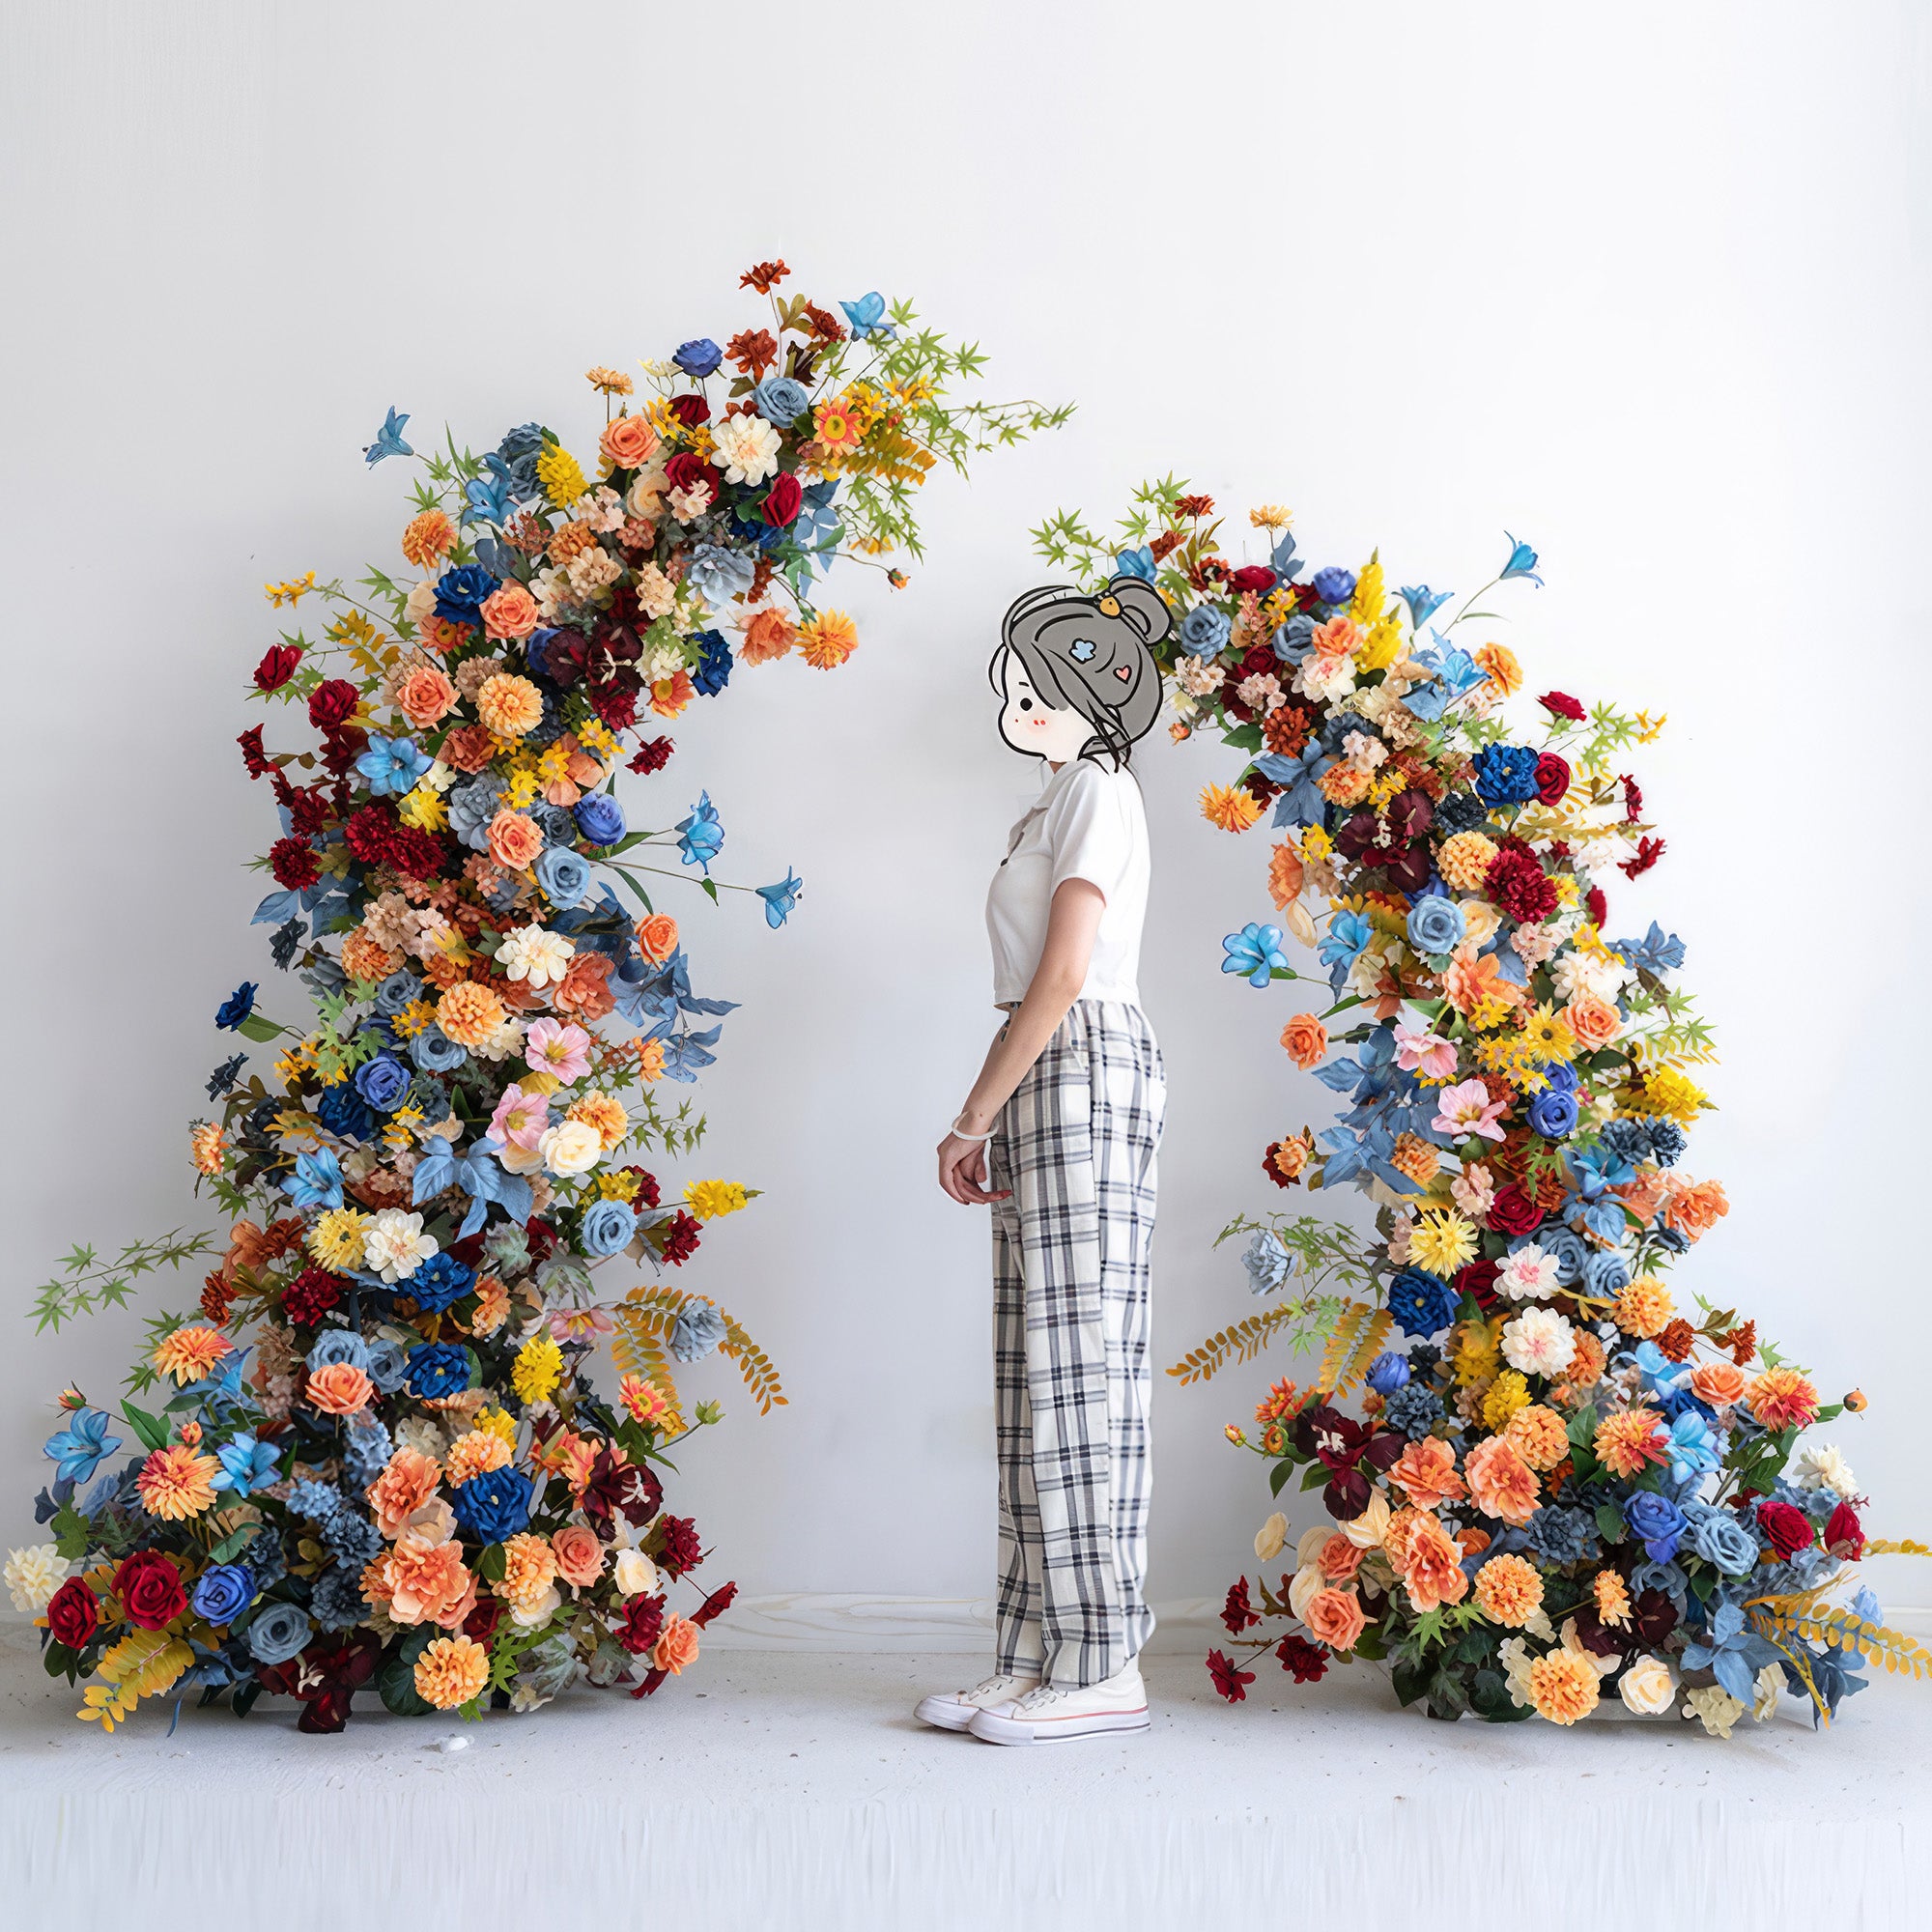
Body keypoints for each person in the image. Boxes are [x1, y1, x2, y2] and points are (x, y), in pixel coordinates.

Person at [916, 575, 1173, 1747]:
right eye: (1011, 685)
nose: (1013, 700)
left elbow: (1065, 976)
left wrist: (971, 1117)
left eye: (1032, 684)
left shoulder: (1098, 790)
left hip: (1079, 1060)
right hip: (1045, 1063)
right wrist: (986, 1106)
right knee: (1037, 1365)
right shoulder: (1056, 799)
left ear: (1087, 691)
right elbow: (1033, 986)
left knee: (1080, 1361)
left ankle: (1100, 1658)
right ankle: (1035, 1655)